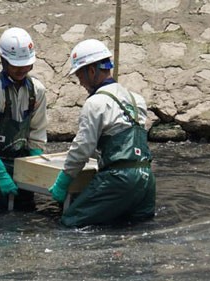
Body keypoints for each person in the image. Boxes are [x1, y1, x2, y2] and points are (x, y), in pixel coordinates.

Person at [49, 39, 156, 227]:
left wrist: (64, 180)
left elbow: (83, 148)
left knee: (71, 223)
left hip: (118, 179)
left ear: (91, 70)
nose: (80, 82)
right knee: (137, 227)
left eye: (79, 75)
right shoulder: (137, 100)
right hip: (146, 179)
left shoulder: (95, 103)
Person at [0, 27, 47, 211]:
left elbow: (38, 130)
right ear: (3, 61)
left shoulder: (37, 91)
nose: (21, 69)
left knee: (26, 212)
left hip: (20, 161)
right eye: (15, 64)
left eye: (25, 64)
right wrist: (0, 174)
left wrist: (35, 162)